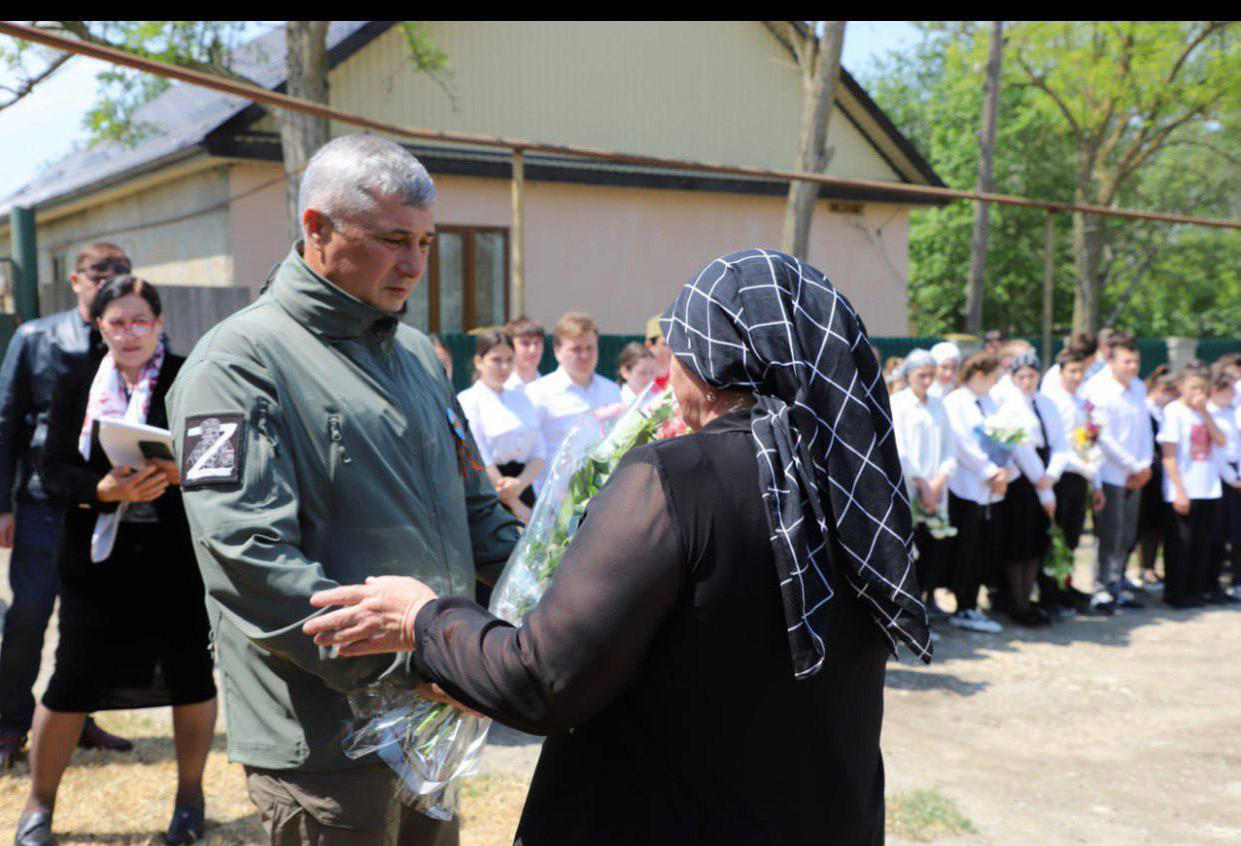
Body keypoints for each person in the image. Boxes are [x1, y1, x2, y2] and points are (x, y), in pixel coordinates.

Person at [304, 248, 931, 846]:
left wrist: (425, 619)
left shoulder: (675, 478)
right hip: (823, 818)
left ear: (710, 354)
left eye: (675, 346)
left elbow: (542, 680)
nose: (666, 369)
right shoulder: (854, 485)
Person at [167, 134, 520, 846]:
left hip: (433, 713)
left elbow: (477, 513)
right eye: (394, 240)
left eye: (425, 241)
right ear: (317, 228)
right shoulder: (236, 364)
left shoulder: (416, 355)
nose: (415, 265)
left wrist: (560, 589)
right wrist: (409, 659)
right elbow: (247, 557)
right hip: (325, 736)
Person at [15, 276, 217, 846]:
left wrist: (182, 472)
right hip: (95, 563)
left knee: (191, 677)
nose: (128, 333)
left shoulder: (190, 376)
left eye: (139, 321)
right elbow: (52, 473)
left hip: (176, 561)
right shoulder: (75, 382)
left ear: (158, 323)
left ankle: (189, 800)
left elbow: (224, 460)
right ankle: (38, 807)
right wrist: (105, 489)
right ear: (99, 326)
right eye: (116, 322)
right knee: (69, 680)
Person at [0, 242, 134, 768]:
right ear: (75, 280)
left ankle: (78, 720)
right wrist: (3, 505)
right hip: (42, 504)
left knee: (90, 618)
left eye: (121, 271)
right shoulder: (36, 338)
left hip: (107, 502)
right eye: (99, 272)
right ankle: (9, 725)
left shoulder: (131, 338)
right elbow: (7, 420)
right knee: (30, 615)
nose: (109, 279)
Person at [995, 353, 1066, 626]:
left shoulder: (1047, 403)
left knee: (1037, 540)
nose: (1027, 382)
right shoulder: (1009, 406)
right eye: (1020, 377)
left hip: (1044, 473)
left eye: (1031, 376)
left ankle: (1029, 597)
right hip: (1023, 480)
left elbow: (1061, 443)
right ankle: (1018, 602)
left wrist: (1052, 475)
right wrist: (1042, 485)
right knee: (1018, 542)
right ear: (1012, 379)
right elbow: (1020, 448)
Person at [942, 352, 1010, 633]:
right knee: (966, 548)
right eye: (993, 378)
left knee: (981, 546)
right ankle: (962, 605)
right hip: (967, 485)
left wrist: (1004, 470)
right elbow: (962, 443)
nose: (995, 384)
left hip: (990, 487)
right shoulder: (955, 402)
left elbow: (1006, 434)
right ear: (980, 375)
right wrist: (989, 471)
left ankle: (971, 602)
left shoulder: (990, 402)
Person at [1089, 332, 1153, 614]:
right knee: (1110, 533)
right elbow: (1102, 436)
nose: (1132, 366)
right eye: (1127, 361)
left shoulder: (1138, 388)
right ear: (1112, 361)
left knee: (1127, 534)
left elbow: (1145, 431)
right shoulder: (1099, 389)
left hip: (1136, 473)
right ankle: (1102, 587)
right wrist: (1132, 465)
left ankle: (1119, 582)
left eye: (1135, 361)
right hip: (1111, 472)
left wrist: (1144, 465)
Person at [1039, 342, 1105, 613]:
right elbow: (1060, 444)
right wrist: (1083, 467)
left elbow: (1086, 441)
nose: (1078, 377)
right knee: (1058, 536)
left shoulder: (1081, 401)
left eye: (1082, 372)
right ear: (1062, 371)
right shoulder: (1055, 402)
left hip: (1082, 474)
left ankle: (1064, 586)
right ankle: (1049, 592)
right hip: (1063, 475)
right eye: (1072, 371)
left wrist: (1095, 481)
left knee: (1073, 535)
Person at [891, 349, 955, 617]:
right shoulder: (898, 403)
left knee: (935, 543)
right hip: (910, 485)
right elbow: (901, 448)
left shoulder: (939, 404)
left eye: (931, 374)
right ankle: (909, 605)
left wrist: (939, 480)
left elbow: (950, 447)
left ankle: (929, 598)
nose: (928, 381)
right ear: (909, 375)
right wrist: (922, 483)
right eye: (922, 375)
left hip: (936, 488)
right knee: (910, 544)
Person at [457, 330, 546, 521]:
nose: (504, 367)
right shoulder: (469, 400)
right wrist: (514, 503)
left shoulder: (521, 397)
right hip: (490, 492)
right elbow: (478, 454)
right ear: (479, 361)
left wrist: (520, 485)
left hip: (523, 486)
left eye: (509, 360)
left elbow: (539, 451)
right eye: (496, 360)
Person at [1158, 366, 1226, 608]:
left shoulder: (1206, 413)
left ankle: (1195, 591)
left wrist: (1205, 413)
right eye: (1193, 387)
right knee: (1180, 545)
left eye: (1203, 388)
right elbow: (1169, 455)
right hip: (1184, 488)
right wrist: (1179, 490)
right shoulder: (1173, 412)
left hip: (1208, 487)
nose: (1199, 393)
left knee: (1202, 544)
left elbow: (1221, 440)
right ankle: (1175, 592)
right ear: (1181, 388)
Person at [525, 312, 621, 479]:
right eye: (576, 349)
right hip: (553, 497)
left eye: (589, 348)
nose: (584, 356)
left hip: (604, 493)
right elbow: (529, 449)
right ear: (557, 351)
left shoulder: (611, 390)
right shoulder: (538, 392)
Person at [1136, 366, 1178, 588]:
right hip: (1148, 473)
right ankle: (1145, 568)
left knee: (1157, 526)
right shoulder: (1145, 408)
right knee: (1146, 525)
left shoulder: (1161, 411)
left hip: (1161, 474)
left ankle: (1151, 566)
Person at [1205, 370, 1240, 603]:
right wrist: (1230, 478)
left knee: (1237, 533)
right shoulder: (1209, 414)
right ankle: (1211, 582)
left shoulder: (1233, 413)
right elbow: (1216, 450)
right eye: (1230, 391)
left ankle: (1236, 582)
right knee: (1216, 534)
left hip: (1236, 477)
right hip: (1219, 478)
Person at [504, 315, 546, 390]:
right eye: (525, 343)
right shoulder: (503, 388)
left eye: (537, 343)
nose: (533, 350)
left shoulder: (551, 389)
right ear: (509, 347)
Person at [616, 342, 658, 407]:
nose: (648, 378)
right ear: (625, 372)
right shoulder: (615, 400)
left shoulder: (657, 400)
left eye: (651, 372)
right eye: (642, 373)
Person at [644, 314, 673, 392]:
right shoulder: (640, 375)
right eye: (665, 344)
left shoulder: (681, 376)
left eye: (675, 343)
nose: (672, 349)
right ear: (649, 345)